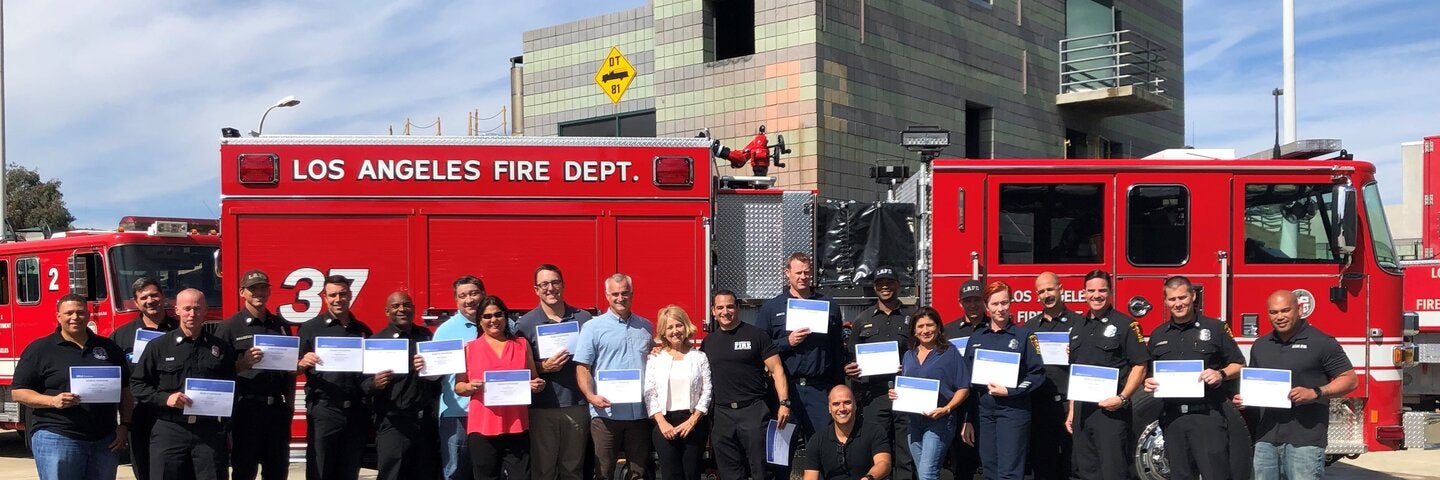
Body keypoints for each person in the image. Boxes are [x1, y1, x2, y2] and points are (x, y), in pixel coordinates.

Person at [131, 288, 255, 480]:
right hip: (170, 429)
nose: (192, 314)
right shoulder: (158, 346)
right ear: (177, 310)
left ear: (205, 310)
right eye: (187, 308)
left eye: (197, 308)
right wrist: (166, 398)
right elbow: (137, 385)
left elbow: (231, 385)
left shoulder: (220, 348)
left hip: (209, 433)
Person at [1234, 290, 1357, 480]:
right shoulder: (1261, 345)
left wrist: (1315, 392)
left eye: (1285, 310)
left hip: (1305, 440)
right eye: (1274, 312)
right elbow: (1257, 384)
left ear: (1299, 310)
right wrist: (1246, 400)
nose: (1280, 317)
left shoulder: (1322, 342)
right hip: (1266, 438)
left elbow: (1350, 379)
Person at [14, 293, 131, 480]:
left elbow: (125, 391)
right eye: (69, 313)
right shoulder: (40, 349)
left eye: (80, 312)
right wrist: (53, 401)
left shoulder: (109, 348)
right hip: (58, 436)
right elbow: (18, 392)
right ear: (58, 317)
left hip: (104, 440)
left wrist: (124, 425)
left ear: (89, 315)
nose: (75, 317)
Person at [1141, 276, 1244, 480]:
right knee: (1180, 475)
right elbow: (1150, 374)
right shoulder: (1158, 335)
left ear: (1193, 296)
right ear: (1165, 301)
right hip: (1173, 419)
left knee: (1216, 475)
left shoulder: (1215, 328)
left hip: (1207, 416)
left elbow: (1239, 364)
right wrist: (1148, 383)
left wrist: (1220, 374)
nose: (1178, 303)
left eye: (1182, 297)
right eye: (1172, 299)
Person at [701, 289, 792, 480]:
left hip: (753, 411)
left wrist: (784, 403)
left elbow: (777, 370)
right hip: (722, 415)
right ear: (713, 311)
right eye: (720, 308)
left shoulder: (756, 335)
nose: (725, 312)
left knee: (760, 469)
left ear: (738, 308)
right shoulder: (708, 342)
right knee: (729, 472)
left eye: (729, 306)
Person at [213, 270, 295, 480]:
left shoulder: (281, 325)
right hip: (246, 411)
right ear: (242, 292)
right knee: (244, 471)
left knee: (277, 470)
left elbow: (289, 373)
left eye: (263, 288)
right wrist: (242, 364)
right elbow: (216, 372)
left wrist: (290, 406)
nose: (259, 292)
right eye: (253, 289)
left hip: (277, 410)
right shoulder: (228, 327)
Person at [754, 252, 844, 443]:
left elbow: (837, 350)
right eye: (798, 273)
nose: (803, 277)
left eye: (806, 272)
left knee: (822, 447)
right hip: (786, 390)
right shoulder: (771, 308)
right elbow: (760, 349)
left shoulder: (828, 306)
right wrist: (788, 342)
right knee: (781, 451)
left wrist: (838, 387)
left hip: (820, 389)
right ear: (787, 273)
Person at [1067, 270, 1148, 480]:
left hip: (1111, 413)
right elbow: (1077, 373)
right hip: (1083, 413)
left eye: (1102, 290)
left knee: (1114, 471)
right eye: (1091, 290)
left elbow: (1140, 366)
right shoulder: (1077, 328)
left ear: (1110, 292)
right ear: (1084, 293)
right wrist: (1072, 412)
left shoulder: (1126, 325)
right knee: (1086, 471)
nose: (1096, 295)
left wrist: (1122, 398)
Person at [574, 273, 656, 480]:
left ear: (632, 294)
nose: (621, 298)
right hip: (605, 415)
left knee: (639, 473)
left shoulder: (646, 327)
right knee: (603, 472)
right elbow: (583, 367)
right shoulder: (592, 328)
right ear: (607, 296)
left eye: (625, 293)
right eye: (615, 294)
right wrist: (591, 396)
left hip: (639, 414)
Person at [515, 264, 593, 480]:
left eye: (555, 282)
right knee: (543, 470)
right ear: (536, 289)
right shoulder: (525, 323)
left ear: (563, 285)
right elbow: (517, 366)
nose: (550, 288)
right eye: (544, 284)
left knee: (573, 469)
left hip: (577, 404)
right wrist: (543, 367)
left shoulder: (584, 319)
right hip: (542, 408)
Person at [456, 296, 546, 480]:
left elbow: (534, 378)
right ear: (479, 321)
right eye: (487, 316)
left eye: (498, 314)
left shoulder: (521, 345)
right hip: (482, 427)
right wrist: (469, 387)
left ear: (506, 317)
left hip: (516, 425)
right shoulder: (468, 349)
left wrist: (538, 385)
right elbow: (459, 387)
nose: (493, 320)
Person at [964, 282, 1046, 480]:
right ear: (986, 306)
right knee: (989, 470)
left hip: (1013, 412)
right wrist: (967, 419)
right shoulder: (977, 337)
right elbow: (966, 382)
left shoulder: (1024, 335)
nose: (1000, 309)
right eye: (995, 304)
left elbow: (1037, 374)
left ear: (1011, 303)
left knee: (1009, 472)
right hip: (985, 413)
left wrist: (1012, 391)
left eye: (1004, 303)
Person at [297, 275, 375, 480]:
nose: (338, 299)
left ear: (350, 295)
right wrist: (302, 362)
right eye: (332, 295)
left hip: (356, 413)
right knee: (320, 471)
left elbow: (369, 373)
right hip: (324, 411)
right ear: (324, 297)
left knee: (349, 471)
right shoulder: (310, 328)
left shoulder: (363, 331)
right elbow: (291, 369)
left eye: (342, 294)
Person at [843, 266, 913, 480]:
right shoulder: (863, 320)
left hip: (905, 393)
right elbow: (850, 357)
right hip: (873, 395)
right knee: (877, 447)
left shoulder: (912, 318)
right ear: (874, 287)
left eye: (890, 282)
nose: (885, 286)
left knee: (905, 449)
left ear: (898, 285)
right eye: (880, 283)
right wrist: (849, 370)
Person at [363, 291, 440, 480]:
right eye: (396, 306)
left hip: (424, 423)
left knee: (425, 473)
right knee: (393, 474)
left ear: (413, 309)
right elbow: (362, 385)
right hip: (393, 423)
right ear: (386, 311)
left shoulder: (426, 337)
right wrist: (374, 383)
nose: (402, 309)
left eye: (406, 305)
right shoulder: (376, 342)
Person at [889, 306, 970, 480]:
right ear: (914, 330)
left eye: (930, 325)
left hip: (939, 421)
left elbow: (963, 387)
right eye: (920, 326)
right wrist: (896, 394)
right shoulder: (909, 355)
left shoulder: (950, 352)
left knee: (927, 474)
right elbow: (906, 385)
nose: (925, 330)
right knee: (924, 473)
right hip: (914, 423)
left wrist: (947, 409)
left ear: (938, 327)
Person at [109, 276, 174, 480]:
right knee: (143, 469)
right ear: (136, 302)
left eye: (154, 295)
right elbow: (115, 378)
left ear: (163, 297)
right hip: (139, 414)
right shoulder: (122, 336)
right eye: (144, 297)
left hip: (172, 412)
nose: (150, 300)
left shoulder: (180, 330)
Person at [644, 306, 712, 480]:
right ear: (663, 332)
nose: (675, 331)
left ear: (686, 326)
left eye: (678, 325)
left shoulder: (699, 357)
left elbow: (707, 390)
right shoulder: (656, 358)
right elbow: (650, 392)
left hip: (693, 424)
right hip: (665, 423)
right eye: (670, 327)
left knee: (692, 473)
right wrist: (662, 423)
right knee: (671, 474)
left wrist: (693, 421)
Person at [436, 275, 486, 480]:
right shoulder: (445, 331)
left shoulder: (502, 322)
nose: (469, 300)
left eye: (473, 293)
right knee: (456, 472)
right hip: (458, 413)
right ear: (456, 301)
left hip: (494, 412)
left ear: (483, 294)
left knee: (490, 470)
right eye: (462, 296)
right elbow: (433, 376)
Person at [1027, 272, 1075, 480]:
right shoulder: (1030, 327)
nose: (1047, 294)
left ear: (1060, 288)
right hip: (1040, 405)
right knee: (1043, 465)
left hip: (1068, 406)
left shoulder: (1080, 324)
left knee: (1072, 465)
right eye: (1042, 291)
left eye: (1050, 289)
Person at [799, 385, 892, 480]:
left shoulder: (874, 431)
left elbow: (884, 463)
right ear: (829, 409)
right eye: (836, 404)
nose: (842, 408)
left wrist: (869, 478)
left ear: (855, 405)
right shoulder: (817, 440)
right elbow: (810, 476)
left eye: (847, 403)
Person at [943, 279, 984, 479]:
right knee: (962, 464)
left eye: (977, 299)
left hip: (988, 402)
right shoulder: (948, 331)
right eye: (968, 300)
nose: (973, 304)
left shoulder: (995, 328)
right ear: (960, 303)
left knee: (990, 462)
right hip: (959, 405)